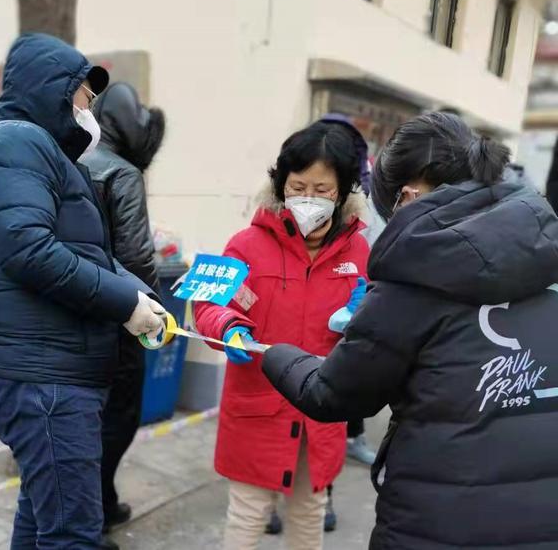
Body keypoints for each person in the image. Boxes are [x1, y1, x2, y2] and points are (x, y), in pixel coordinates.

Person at [262, 111, 558, 549]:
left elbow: (333, 394)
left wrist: (274, 353)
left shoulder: (416, 269)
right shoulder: (545, 248)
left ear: (407, 195)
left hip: (436, 521)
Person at [0, 33, 166, 549]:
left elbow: (86, 252)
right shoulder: (17, 144)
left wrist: (139, 294)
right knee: (72, 534)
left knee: (41, 518)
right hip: (44, 378)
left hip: (48, 372)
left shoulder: (45, 154)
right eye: (83, 95)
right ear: (51, 88)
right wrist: (125, 304)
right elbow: (28, 249)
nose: (88, 110)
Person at [194, 119, 371, 550]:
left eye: (322, 189)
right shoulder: (246, 244)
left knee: (310, 511)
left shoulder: (359, 250)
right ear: (281, 185)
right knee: (248, 514)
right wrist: (228, 326)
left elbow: (376, 320)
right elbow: (207, 305)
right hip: (258, 405)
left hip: (321, 409)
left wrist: (364, 313)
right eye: (298, 187)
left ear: (343, 192)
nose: (308, 199)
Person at [81, 82, 166, 532]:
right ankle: (93, 516)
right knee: (119, 417)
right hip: (121, 316)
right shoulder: (124, 173)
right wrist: (154, 308)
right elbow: (135, 257)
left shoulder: (74, 160)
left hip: (77, 307)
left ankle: (102, 503)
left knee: (84, 419)